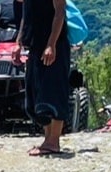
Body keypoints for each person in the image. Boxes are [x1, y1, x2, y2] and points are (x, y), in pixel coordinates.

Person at [17, 0, 71, 156]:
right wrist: (18, 42)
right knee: (36, 96)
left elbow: (60, 13)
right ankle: (47, 140)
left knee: (53, 93)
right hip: (35, 46)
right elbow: (25, 15)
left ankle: (53, 142)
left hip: (53, 47)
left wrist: (51, 44)